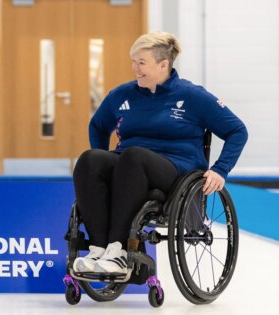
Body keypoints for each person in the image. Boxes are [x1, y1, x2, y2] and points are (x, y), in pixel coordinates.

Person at [72, 31, 247, 275]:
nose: (134, 68)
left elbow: (237, 130)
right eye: (133, 61)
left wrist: (220, 169)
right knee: (90, 160)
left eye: (141, 62)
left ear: (163, 65)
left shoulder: (191, 96)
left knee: (133, 156)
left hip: (175, 169)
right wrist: (104, 170)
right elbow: (98, 126)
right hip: (130, 166)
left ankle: (119, 250)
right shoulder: (122, 95)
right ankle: (100, 248)